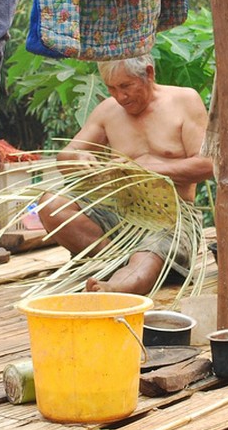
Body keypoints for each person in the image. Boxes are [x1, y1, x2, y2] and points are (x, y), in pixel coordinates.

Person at [37, 55, 214, 294]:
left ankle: (115, 286)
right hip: (118, 211)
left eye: (126, 86)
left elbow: (207, 165)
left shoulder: (184, 101)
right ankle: (118, 261)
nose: (120, 97)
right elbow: (65, 156)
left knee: (146, 259)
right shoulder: (108, 110)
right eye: (111, 88)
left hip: (171, 217)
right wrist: (78, 159)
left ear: (149, 74)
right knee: (51, 204)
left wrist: (142, 169)